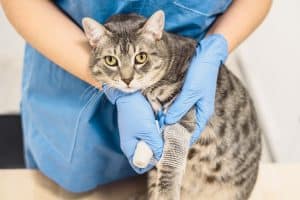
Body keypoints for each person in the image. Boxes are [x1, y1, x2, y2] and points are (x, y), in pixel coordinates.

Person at [1, 0, 272, 193]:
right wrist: (117, 91)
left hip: (180, 68)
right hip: (74, 84)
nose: (128, 78)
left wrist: (216, 46)